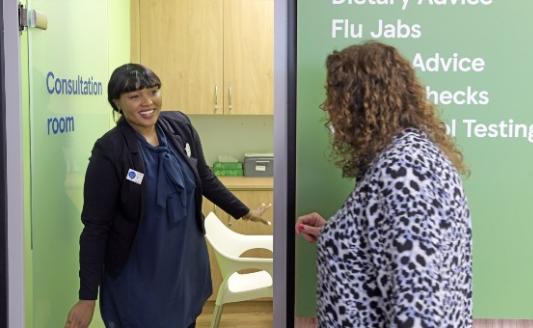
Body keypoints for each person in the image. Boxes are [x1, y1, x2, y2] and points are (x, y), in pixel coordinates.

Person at [65, 63, 270, 328]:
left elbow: (204, 176)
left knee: (186, 321)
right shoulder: (110, 151)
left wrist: (243, 211)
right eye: (134, 96)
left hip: (184, 264)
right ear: (117, 103)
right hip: (138, 273)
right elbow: (95, 228)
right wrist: (87, 297)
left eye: (153, 91)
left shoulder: (179, 126)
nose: (147, 102)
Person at [296, 41, 472, 327]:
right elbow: (391, 251)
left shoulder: (405, 171)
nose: (329, 110)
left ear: (360, 103)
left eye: (334, 100)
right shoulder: (406, 157)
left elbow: (419, 308)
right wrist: (338, 235)